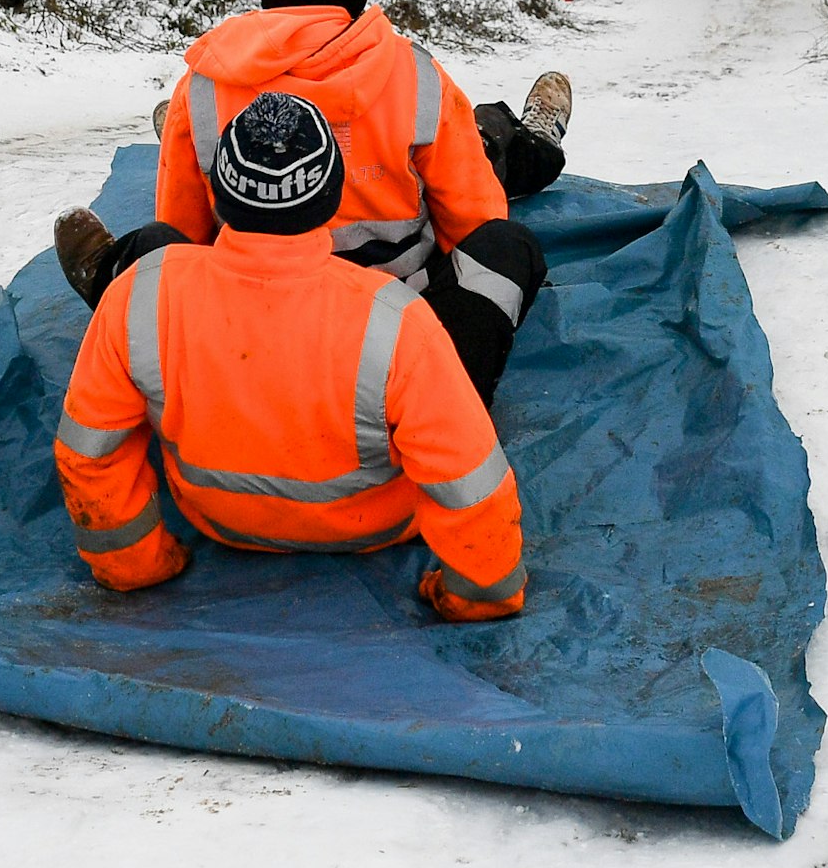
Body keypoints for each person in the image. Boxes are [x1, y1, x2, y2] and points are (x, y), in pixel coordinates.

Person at [52, 0, 565, 404]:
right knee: (501, 237)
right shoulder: (418, 77)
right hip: (398, 326)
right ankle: (528, 146)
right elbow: (471, 224)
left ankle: (111, 276)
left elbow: (186, 239)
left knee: (157, 248)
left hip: (250, 332)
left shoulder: (204, 86)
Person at [55, 93, 526, 620]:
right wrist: (476, 596)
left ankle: (104, 262)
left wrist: (135, 564)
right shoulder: (397, 322)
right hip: (378, 528)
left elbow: (90, 455)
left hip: (219, 520)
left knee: (148, 253)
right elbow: (470, 484)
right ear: (329, 197)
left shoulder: (139, 294)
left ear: (219, 194)